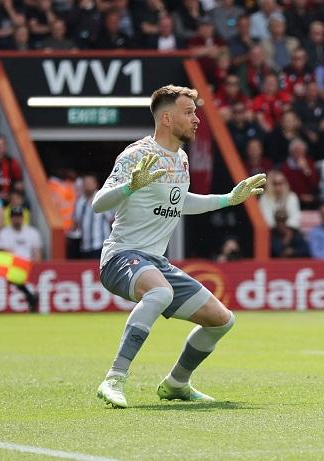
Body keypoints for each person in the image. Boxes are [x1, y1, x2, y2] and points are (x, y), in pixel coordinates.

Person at [92, 85, 267, 409]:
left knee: (222, 320)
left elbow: (181, 202)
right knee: (160, 293)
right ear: (168, 118)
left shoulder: (181, 159)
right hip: (121, 256)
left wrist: (230, 199)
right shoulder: (136, 154)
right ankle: (114, 379)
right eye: (189, 112)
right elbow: (98, 203)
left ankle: (176, 383)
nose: (197, 119)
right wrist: (130, 187)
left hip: (156, 262)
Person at [0, 207, 41, 312]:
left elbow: (37, 253)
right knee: (13, 273)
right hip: (10, 266)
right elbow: (5, 252)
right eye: (14, 217)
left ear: (23, 218)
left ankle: (30, 296)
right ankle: (30, 295)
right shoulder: (4, 233)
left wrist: (36, 265)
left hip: (28, 266)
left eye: (19, 217)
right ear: (10, 218)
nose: (17, 219)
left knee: (19, 275)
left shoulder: (32, 232)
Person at [72, 173, 113, 259]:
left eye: (90, 183)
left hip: (100, 244)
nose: (88, 186)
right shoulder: (80, 202)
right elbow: (76, 222)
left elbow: (112, 220)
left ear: (96, 184)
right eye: (86, 184)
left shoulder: (102, 198)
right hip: (84, 246)